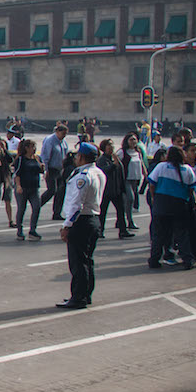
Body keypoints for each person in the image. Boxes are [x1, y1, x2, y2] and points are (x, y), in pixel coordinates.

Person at [57, 143, 106, 309]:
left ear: (82, 157)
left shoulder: (82, 176)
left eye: (78, 155)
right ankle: (85, 293)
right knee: (87, 260)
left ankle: (78, 297)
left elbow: (76, 204)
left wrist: (67, 225)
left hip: (81, 221)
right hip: (93, 218)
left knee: (78, 262)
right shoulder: (97, 172)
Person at [147, 146, 196, 269]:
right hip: (179, 204)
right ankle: (187, 259)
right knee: (181, 234)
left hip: (162, 203)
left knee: (158, 235)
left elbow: (152, 184)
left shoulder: (161, 167)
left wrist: (154, 198)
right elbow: (191, 188)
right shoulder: (187, 170)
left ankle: (154, 260)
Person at [96, 139, 134, 240]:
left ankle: (123, 230)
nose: (111, 148)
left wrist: (122, 188)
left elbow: (121, 172)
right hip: (106, 190)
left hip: (116, 190)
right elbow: (104, 171)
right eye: (109, 146)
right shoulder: (102, 160)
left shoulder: (114, 158)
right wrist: (114, 164)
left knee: (121, 211)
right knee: (102, 212)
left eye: (112, 146)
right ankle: (100, 230)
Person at [13, 139, 44, 241]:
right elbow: (17, 174)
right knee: (21, 208)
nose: (34, 149)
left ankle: (32, 230)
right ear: (26, 148)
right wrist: (18, 186)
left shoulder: (36, 158)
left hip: (34, 187)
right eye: (32, 147)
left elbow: (40, 170)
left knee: (36, 207)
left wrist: (41, 166)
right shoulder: (21, 159)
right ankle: (19, 230)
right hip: (23, 187)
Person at [39, 124, 70, 220]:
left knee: (61, 192)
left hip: (60, 170)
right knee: (52, 190)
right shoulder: (50, 141)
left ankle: (57, 213)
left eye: (65, 135)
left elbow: (65, 155)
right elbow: (45, 156)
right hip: (51, 169)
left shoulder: (63, 142)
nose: (64, 136)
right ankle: (37, 205)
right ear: (57, 132)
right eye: (62, 134)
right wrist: (46, 170)